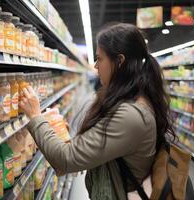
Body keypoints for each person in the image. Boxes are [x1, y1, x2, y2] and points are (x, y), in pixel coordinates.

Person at [19, 23, 175, 200]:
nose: (95, 66)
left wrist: (35, 115)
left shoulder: (132, 115)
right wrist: (76, 140)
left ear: (120, 61)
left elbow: (65, 159)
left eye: (99, 59)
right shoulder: (134, 98)